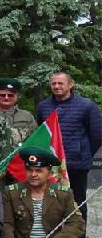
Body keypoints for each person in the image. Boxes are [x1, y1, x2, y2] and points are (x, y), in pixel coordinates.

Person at [35, 71, 101, 219]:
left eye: (60, 83)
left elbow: (97, 135)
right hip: (51, 165)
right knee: (51, 203)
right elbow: (41, 132)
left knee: (77, 203)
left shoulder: (87, 105)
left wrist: (82, 152)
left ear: (70, 85)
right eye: (53, 83)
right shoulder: (43, 106)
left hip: (76, 164)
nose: (56, 86)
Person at [0, 78, 37, 145]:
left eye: (11, 95)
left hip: (20, 154)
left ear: (16, 96)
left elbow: (35, 138)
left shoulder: (27, 116)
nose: (6, 98)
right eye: (2, 95)